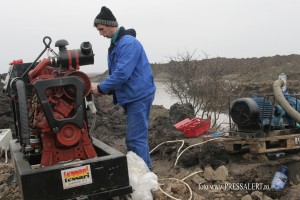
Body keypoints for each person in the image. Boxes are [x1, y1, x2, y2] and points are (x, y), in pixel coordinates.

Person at [91, 6, 156, 170]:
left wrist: (100, 88)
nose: (100, 33)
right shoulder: (117, 43)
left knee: (135, 139)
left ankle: (145, 176)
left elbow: (122, 74)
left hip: (139, 96)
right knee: (137, 137)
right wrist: (108, 89)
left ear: (110, 24)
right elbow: (119, 73)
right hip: (132, 95)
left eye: (101, 29)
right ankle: (146, 172)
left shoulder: (127, 43)